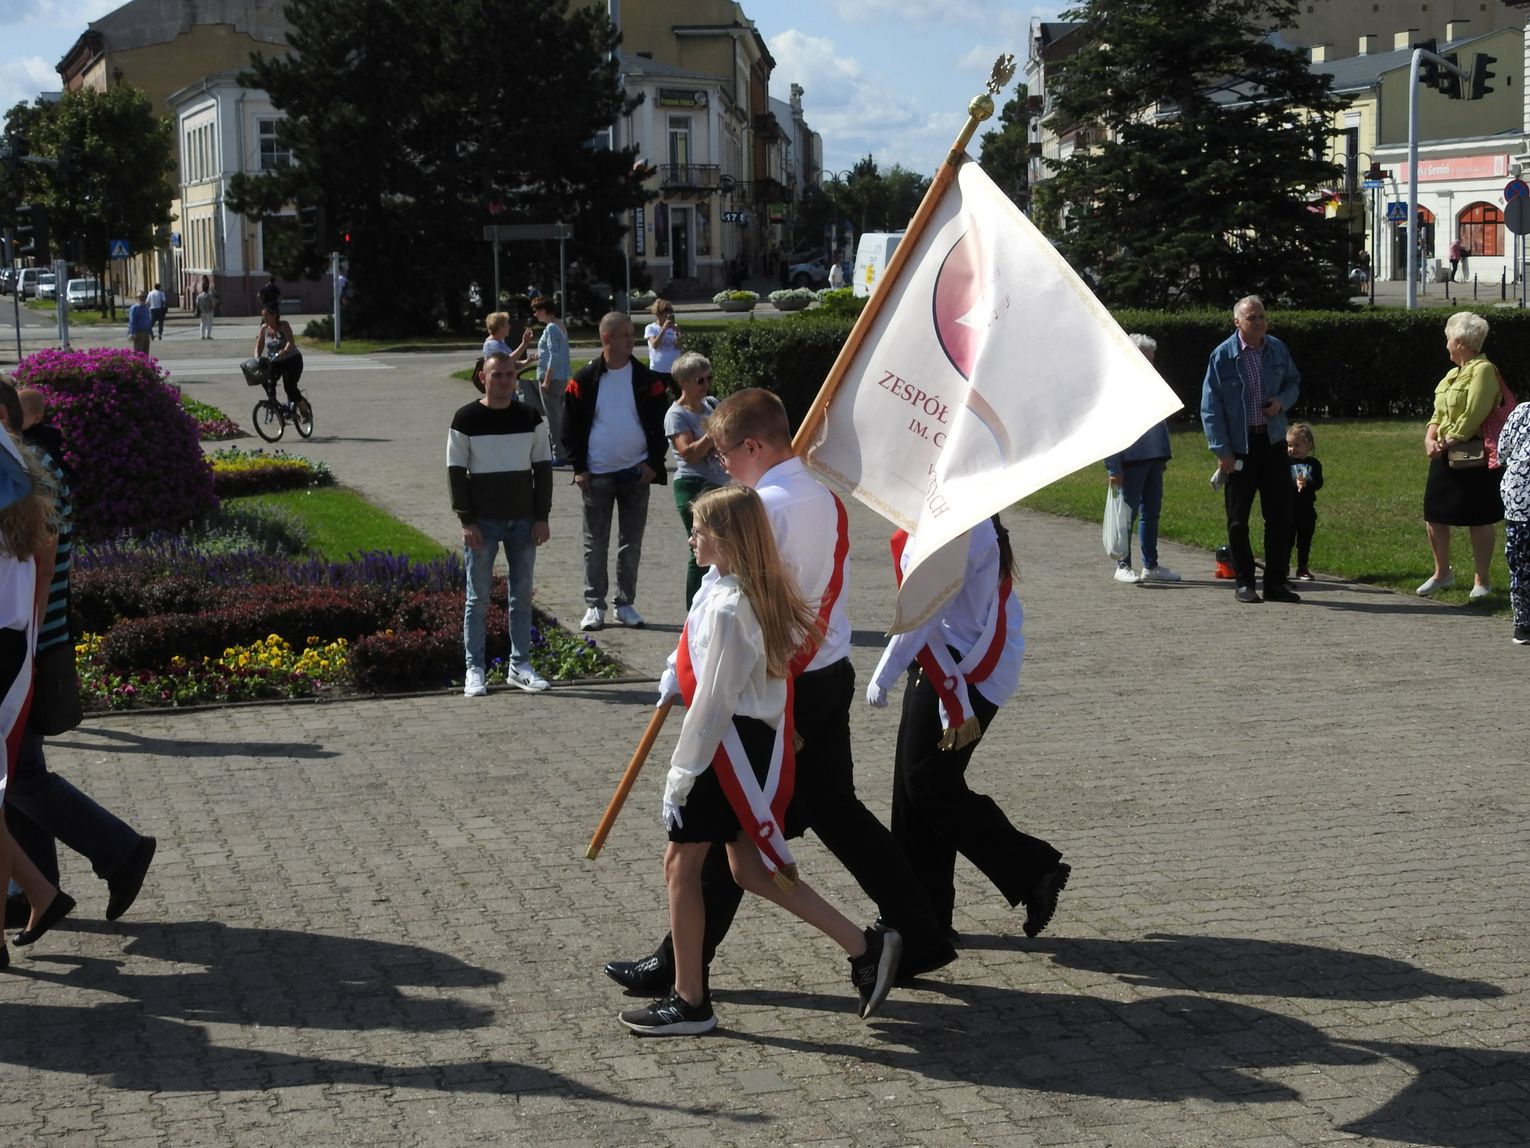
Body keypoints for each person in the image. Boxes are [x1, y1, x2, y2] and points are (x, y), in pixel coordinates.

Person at [602, 388, 957, 1001]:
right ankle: (918, 934)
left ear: (752, 446)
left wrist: (684, 672)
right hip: (823, 672)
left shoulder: (757, 508)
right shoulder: (821, 494)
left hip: (777, 685)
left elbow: (726, 599)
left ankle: (683, 972)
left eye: (723, 454)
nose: (721, 466)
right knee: (827, 816)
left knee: (733, 825)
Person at [618, 485, 901, 1036]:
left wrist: (681, 775)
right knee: (748, 869)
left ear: (726, 538)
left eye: (699, 529)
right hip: (741, 742)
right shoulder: (732, 589)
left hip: (726, 749)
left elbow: (714, 702)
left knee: (680, 866)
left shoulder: (730, 605)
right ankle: (864, 946)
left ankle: (689, 1001)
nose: (691, 539)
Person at [866, 517, 1069, 941]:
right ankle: (926, 917)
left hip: (964, 667)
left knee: (926, 785)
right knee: (915, 790)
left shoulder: (958, 522)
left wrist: (885, 672)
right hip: (944, 656)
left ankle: (1032, 867)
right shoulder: (951, 515)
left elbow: (925, 608)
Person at [2, 385, 156, 929]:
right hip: (31, 638)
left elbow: (42, 565)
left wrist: (29, 644)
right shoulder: (29, 462)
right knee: (17, 774)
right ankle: (32, 888)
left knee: (21, 775)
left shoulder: (28, 468)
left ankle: (118, 850)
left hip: (28, 643)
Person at [0, 410, 75, 967]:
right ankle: (39, 893)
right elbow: (42, 571)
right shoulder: (20, 479)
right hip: (12, 646)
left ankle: (40, 893)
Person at [448, 351, 554, 697]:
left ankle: (519, 666)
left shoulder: (530, 417)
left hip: (523, 520)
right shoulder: (465, 419)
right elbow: (456, 473)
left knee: (521, 597)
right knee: (477, 599)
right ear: (483, 377)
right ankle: (474, 669)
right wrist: (467, 520)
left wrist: (542, 516)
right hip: (483, 523)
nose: (505, 381)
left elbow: (543, 468)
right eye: (497, 375)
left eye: (510, 374)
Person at [561, 312, 669, 632]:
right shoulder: (583, 380)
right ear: (606, 338)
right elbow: (568, 428)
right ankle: (594, 605)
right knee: (595, 544)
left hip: (636, 474)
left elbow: (662, 425)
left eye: (631, 334)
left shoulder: (648, 380)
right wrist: (579, 468)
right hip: (596, 475)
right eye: (624, 335)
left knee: (630, 543)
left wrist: (653, 465)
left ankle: (625, 604)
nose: (630, 340)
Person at [1201, 296, 1302, 604]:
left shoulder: (1277, 349)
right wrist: (1222, 451)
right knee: (1238, 519)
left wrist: (1281, 402)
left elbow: (1294, 382)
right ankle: (1244, 582)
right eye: (1251, 318)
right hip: (1239, 447)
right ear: (1237, 322)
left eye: (1262, 317)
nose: (1258, 322)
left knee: (1280, 516)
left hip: (1272, 443)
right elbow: (1210, 408)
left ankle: (1275, 583)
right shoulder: (1222, 356)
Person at [1418, 311, 1504, 599]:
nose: (1446, 345)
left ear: (1459, 341)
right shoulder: (1452, 374)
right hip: (1444, 453)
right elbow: (1437, 413)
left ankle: (1482, 580)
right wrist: (1430, 437)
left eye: (1448, 339)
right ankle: (1442, 573)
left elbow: (1474, 413)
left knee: (1478, 516)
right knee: (1434, 514)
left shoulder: (1483, 370)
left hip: (1474, 454)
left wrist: (1446, 441)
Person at [1104, 334, 1178, 585]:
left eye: (1152, 359)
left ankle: (1151, 565)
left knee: (1151, 513)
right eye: (1147, 358)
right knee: (1127, 516)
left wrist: (1164, 454)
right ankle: (1122, 564)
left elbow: (1160, 423)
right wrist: (1113, 468)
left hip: (1154, 458)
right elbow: (1108, 430)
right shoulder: (1117, 388)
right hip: (1131, 462)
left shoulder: (1155, 385)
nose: (1151, 363)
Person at [664, 353, 729, 607]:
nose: (706, 384)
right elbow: (689, 454)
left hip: (718, 483)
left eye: (708, 378)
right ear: (683, 382)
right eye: (700, 380)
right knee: (700, 547)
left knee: (723, 547)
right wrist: (712, 431)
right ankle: (694, 609)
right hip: (693, 485)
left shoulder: (711, 404)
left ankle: (717, 601)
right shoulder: (676, 415)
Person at [1497, 397, 1530, 644]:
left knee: (1520, 564)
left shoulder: (1522, 411)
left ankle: (1523, 625)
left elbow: (1502, 452)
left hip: (1518, 497)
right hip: (1521, 497)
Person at [531, 297, 570, 466]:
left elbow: (554, 354)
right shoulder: (559, 325)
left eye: (536, 310)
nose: (535, 314)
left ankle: (558, 454)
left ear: (544, 310)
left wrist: (546, 379)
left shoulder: (551, 328)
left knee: (553, 417)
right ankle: (564, 450)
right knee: (559, 415)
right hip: (560, 376)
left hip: (552, 378)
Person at [1286, 422, 1324, 583]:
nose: (1292, 449)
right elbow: (1279, 482)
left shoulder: (1314, 464)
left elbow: (1319, 483)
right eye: (1289, 445)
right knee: (1287, 539)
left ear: (1308, 445)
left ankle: (1302, 567)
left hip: (1306, 509)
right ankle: (1283, 565)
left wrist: (1307, 483)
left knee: (1304, 541)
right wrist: (1293, 483)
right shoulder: (1284, 462)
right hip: (1288, 508)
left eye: (1297, 445)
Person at [254, 307, 305, 409]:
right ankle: (274, 402)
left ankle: (302, 406)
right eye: (263, 316)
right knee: (265, 378)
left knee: (290, 388)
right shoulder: (264, 328)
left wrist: (285, 350)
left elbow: (290, 341)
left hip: (291, 360)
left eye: (266, 316)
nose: (264, 318)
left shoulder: (283, 325)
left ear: (274, 315)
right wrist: (257, 358)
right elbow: (258, 346)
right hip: (275, 361)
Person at [482, 312, 536, 405]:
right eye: (507, 324)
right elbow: (506, 361)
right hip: (499, 388)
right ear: (500, 327)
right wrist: (524, 344)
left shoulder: (500, 343)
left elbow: (512, 365)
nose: (510, 327)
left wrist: (528, 361)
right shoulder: (491, 344)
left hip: (507, 388)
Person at [644, 299, 683, 386]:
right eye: (666, 310)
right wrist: (663, 330)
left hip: (674, 369)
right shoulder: (651, 328)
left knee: (680, 392)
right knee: (659, 393)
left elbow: (679, 346)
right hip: (658, 369)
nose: (669, 313)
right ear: (658, 313)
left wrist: (678, 333)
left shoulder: (674, 327)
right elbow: (655, 345)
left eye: (670, 310)